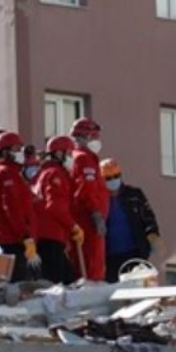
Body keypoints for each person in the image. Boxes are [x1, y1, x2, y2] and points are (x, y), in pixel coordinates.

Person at [0, 131, 41, 282]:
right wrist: (25, 236)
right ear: (5, 152)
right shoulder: (7, 173)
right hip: (10, 241)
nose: (20, 153)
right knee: (16, 287)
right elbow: (13, 208)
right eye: (16, 149)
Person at [100, 157, 162, 283]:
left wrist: (153, 236)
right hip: (109, 258)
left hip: (135, 253)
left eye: (116, 176)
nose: (113, 180)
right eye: (108, 178)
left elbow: (148, 217)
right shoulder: (99, 200)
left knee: (137, 287)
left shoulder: (134, 194)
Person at [34, 135, 81, 284]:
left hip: (47, 235)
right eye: (69, 153)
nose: (71, 158)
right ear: (59, 153)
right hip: (51, 236)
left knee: (67, 278)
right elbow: (55, 206)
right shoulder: (55, 174)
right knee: (59, 282)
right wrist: (73, 226)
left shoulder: (43, 172)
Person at [69, 117, 108, 281]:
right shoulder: (84, 158)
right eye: (94, 136)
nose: (97, 141)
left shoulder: (76, 157)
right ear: (84, 136)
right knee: (92, 265)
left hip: (83, 218)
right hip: (87, 220)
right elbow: (87, 188)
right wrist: (96, 214)